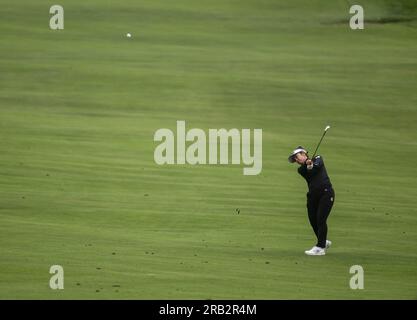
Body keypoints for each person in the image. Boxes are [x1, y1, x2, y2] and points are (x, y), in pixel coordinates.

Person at [288, 146, 335, 256]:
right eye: (294, 159)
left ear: (304, 154)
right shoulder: (301, 169)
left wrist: (310, 163)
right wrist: (308, 165)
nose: (295, 160)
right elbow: (309, 170)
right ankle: (323, 241)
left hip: (326, 193)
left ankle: (320, 247)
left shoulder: (318, 158)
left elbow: (317, 166)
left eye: (296, 157)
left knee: (320, 219)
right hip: (313, 196)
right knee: (312, 219)